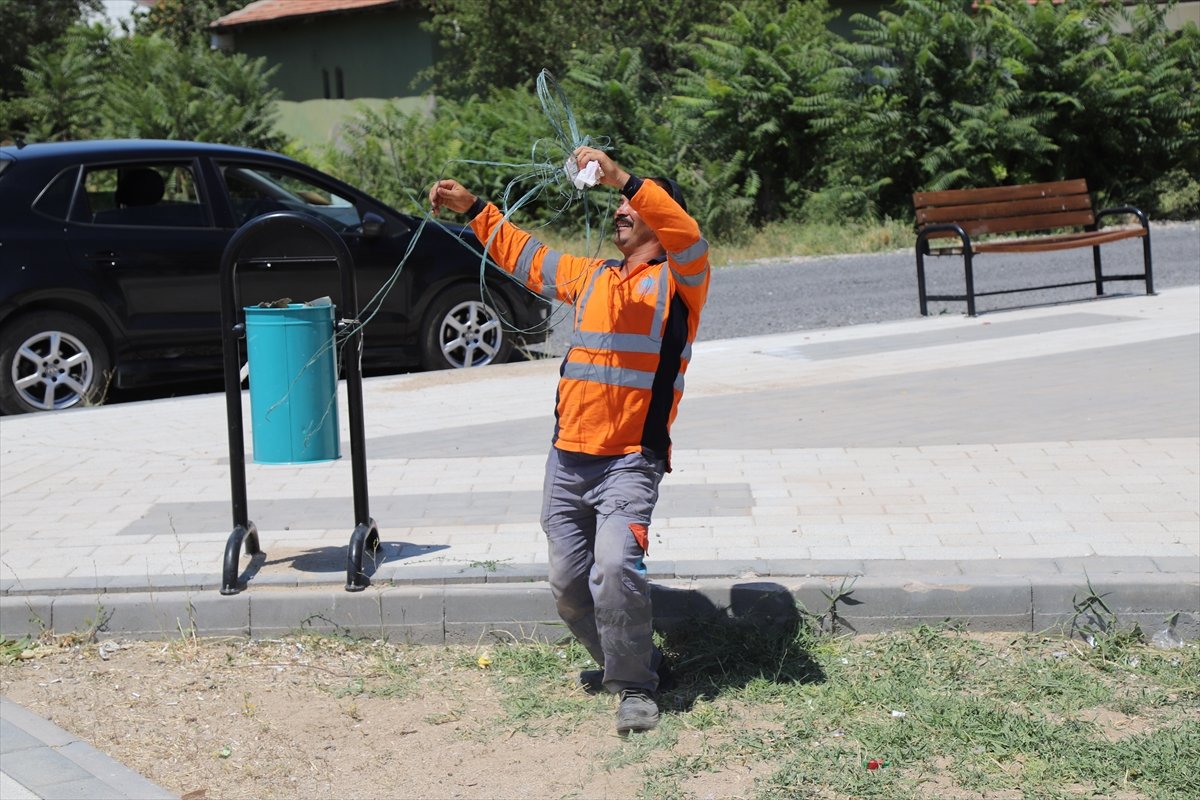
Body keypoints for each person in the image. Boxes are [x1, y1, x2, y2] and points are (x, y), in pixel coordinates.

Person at [429, 146, 710, 733]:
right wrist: (475, 209)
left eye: (632, 206)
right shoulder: (593, 277)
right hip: (568, 460)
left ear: (661, 216)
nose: (620, 210)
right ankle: (637, 660)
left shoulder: (684, 282)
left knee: (613, 567)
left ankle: (634, 686)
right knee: (568, 586)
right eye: (619, 205)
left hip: (631, 461)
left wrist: (624, 177)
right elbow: (527, 254)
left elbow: (688, 235)